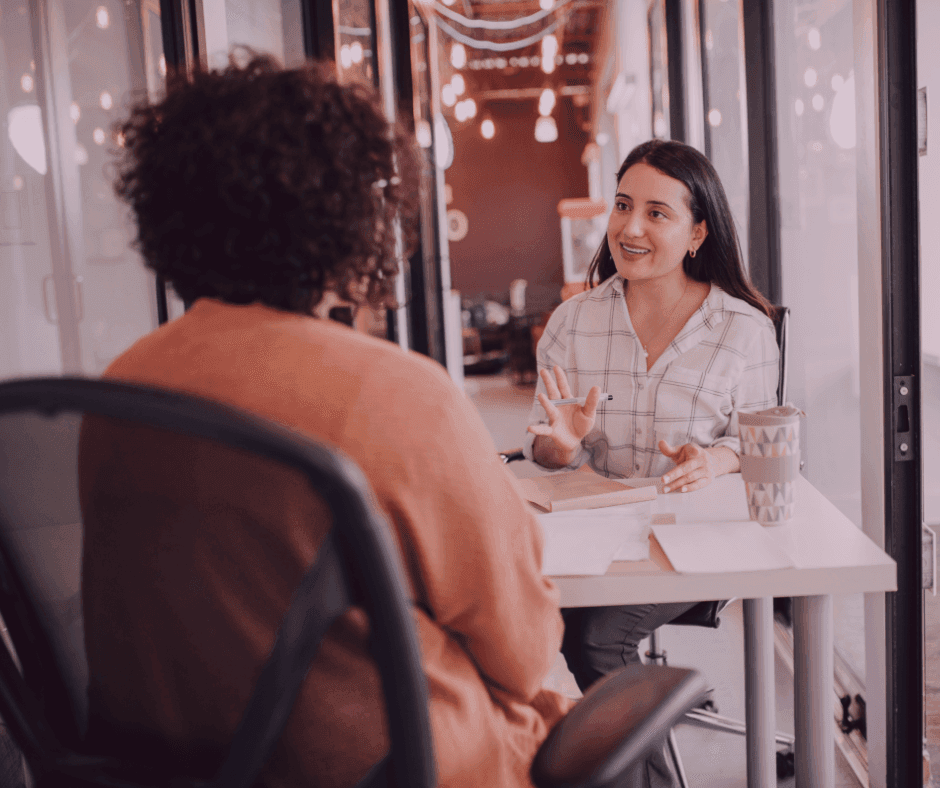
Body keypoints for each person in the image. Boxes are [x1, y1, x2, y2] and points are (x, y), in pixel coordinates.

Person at [79, 51, 571, 788]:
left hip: (181, 767)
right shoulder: (399, 394)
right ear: (342, 213)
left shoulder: (122, 389)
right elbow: (524, 647)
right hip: (386, 764)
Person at [523, 138, 779, 785]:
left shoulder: (743, 329)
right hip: (593, 537)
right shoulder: (573, 322)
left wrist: (714, 460)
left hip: (688, 541)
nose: (629, 229)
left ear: (698, 231)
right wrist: (563, 442)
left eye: (656, 214)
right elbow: (544, 450)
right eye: (622, 206)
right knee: (537, 623)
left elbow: (761, 441)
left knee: (593, 641)